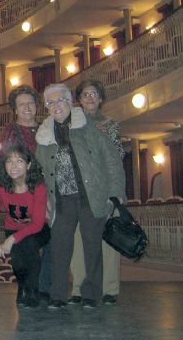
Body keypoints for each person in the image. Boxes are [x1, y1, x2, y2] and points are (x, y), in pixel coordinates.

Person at [35, 83, 125, 310]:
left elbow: (111, 160)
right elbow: (39, 171)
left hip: (90, 195)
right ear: (46, 107)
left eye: (60, 100)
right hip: (62, 200)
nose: (56, 106)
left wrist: (115, 193)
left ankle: (91, 295)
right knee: (60, 247)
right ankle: (58, 295)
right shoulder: (43, 136)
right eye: (51, 102)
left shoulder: (89, 127)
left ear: (69, 102)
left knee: (92, 245)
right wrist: (43, 201)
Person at [68, 79, 125, 306]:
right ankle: (78, 288)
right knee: (78, 241)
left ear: (100, 99)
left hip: (105, 190)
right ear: (79, 100)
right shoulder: (71, 125)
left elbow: (116, 157)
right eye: (85, 94)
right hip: (79, 192)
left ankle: (110, 289)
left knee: (109, 241)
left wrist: (116, 192)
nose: (90, 98)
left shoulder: (110, 125)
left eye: (94, 94)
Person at [0, 144, 49, 308]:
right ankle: (22, 288)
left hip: (39, 230)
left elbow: (36, 223)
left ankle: (33, 290)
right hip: (13, 228)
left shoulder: (38, 187)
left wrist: (11, 239)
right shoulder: (2, 186)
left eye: (19, 161)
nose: (13, 166)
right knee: (17, 260)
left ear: (28, 165)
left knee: (28, 244)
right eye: (9, 161)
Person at [0, 85, 41, 154]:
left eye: (30, 103)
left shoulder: (45, 127)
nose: (27, 107)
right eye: (22, 104)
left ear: (36, 106)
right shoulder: (10, 133)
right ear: (15, 109)